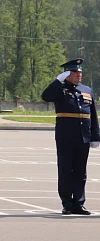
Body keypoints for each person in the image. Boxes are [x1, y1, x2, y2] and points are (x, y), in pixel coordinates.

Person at [41, 58, 100, 215]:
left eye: (80, 72)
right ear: (67, 74)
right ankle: (67, 203)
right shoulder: (59, 89)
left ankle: (79, 203)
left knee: (81, 172)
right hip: (66, 137)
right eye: (75, 72)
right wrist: (57, 81)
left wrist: (95, 136)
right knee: (66, 171)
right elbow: (45, 96)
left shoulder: (87, 90)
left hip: (83, 137)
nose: (79, 75)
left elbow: (93, 114)